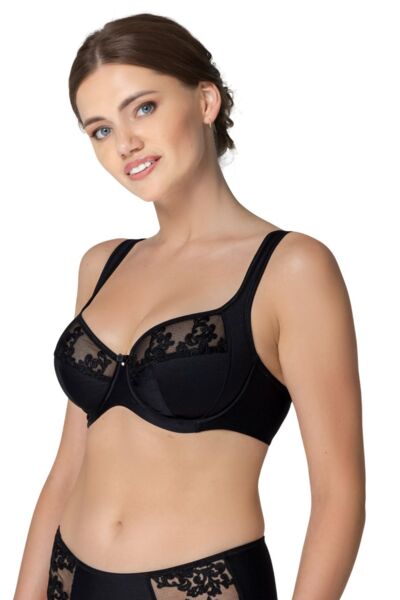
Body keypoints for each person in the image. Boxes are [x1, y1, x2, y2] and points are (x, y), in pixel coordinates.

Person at [14, 13, 366, 600]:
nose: (125, 143)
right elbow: (67, 467)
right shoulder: (102, 265)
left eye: (143, 108)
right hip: (67, 581)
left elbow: (339, 495)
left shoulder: (291, 268)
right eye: (100, 130)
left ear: (206, 101)